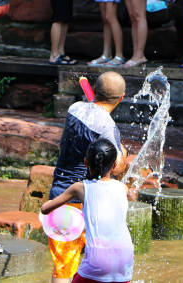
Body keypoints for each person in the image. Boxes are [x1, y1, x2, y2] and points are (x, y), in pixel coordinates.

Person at [48, 71, 128, 283]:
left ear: (95, 90)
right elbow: (116, 168)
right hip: (89, 203)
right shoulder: (108, 127)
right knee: (87, 267)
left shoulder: (74, 109)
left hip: (61, 196)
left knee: (64, 266)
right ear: (121, 98)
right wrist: (123, 151)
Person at [41, 139, 134, 283]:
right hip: (125, 259)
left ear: (86, 162)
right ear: (114, 165)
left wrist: (48, 204)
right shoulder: (122, 188)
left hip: (98, 259)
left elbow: (45, 209)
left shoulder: (80, 187)